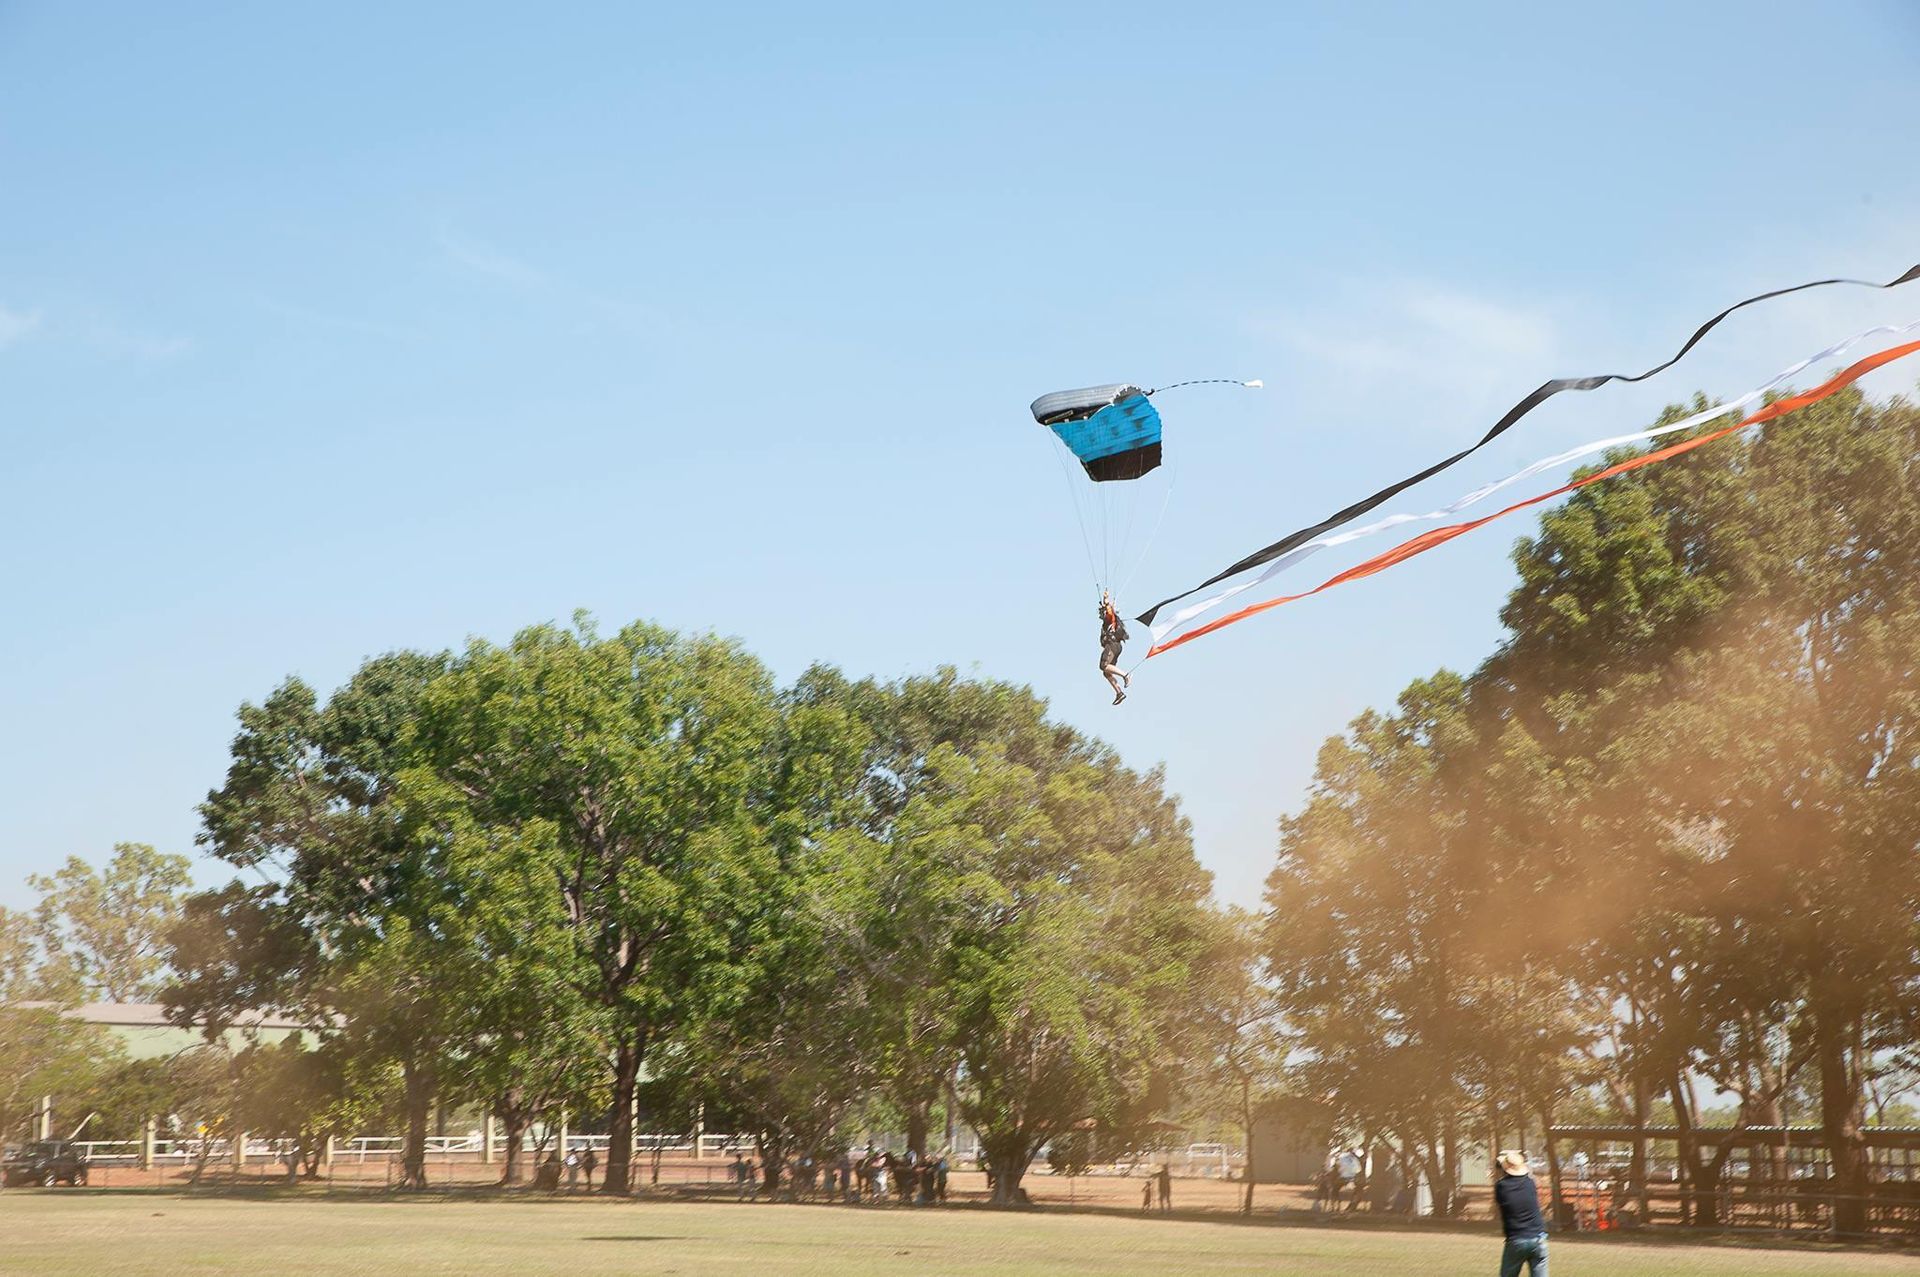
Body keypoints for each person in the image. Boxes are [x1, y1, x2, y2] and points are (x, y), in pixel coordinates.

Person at [1493, 1150, 1549, 1277]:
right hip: (1538, 1238)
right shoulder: (1530, 1183)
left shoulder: (1501, 1187)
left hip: (1516, 1239)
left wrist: (1504, 1160)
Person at [1098, 592, 1130, 705]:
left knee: (1103, 665)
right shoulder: (1108, 622)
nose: (1100, 613)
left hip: (1112, 645)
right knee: (1107, 672)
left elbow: (1109, 611)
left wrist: (1106, 600)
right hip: (1115, 646)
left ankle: (1125, 675)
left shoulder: (1110, 618)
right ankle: (1119, 693)